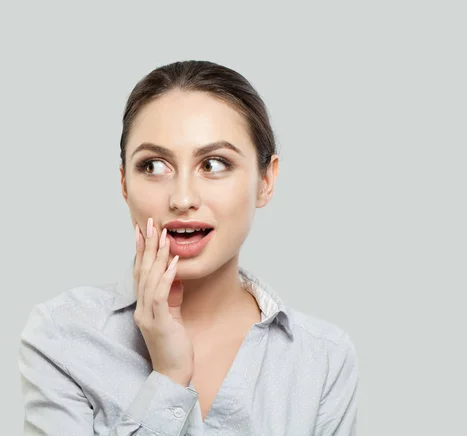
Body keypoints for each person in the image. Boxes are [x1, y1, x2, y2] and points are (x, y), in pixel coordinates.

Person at [18, 60, 359, 435]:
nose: (182, 198)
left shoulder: (322, 357)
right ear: (124, 184)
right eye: (153, 166)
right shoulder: (62, 336)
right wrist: (169, 376)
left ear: (266, 181)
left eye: (214, 164)